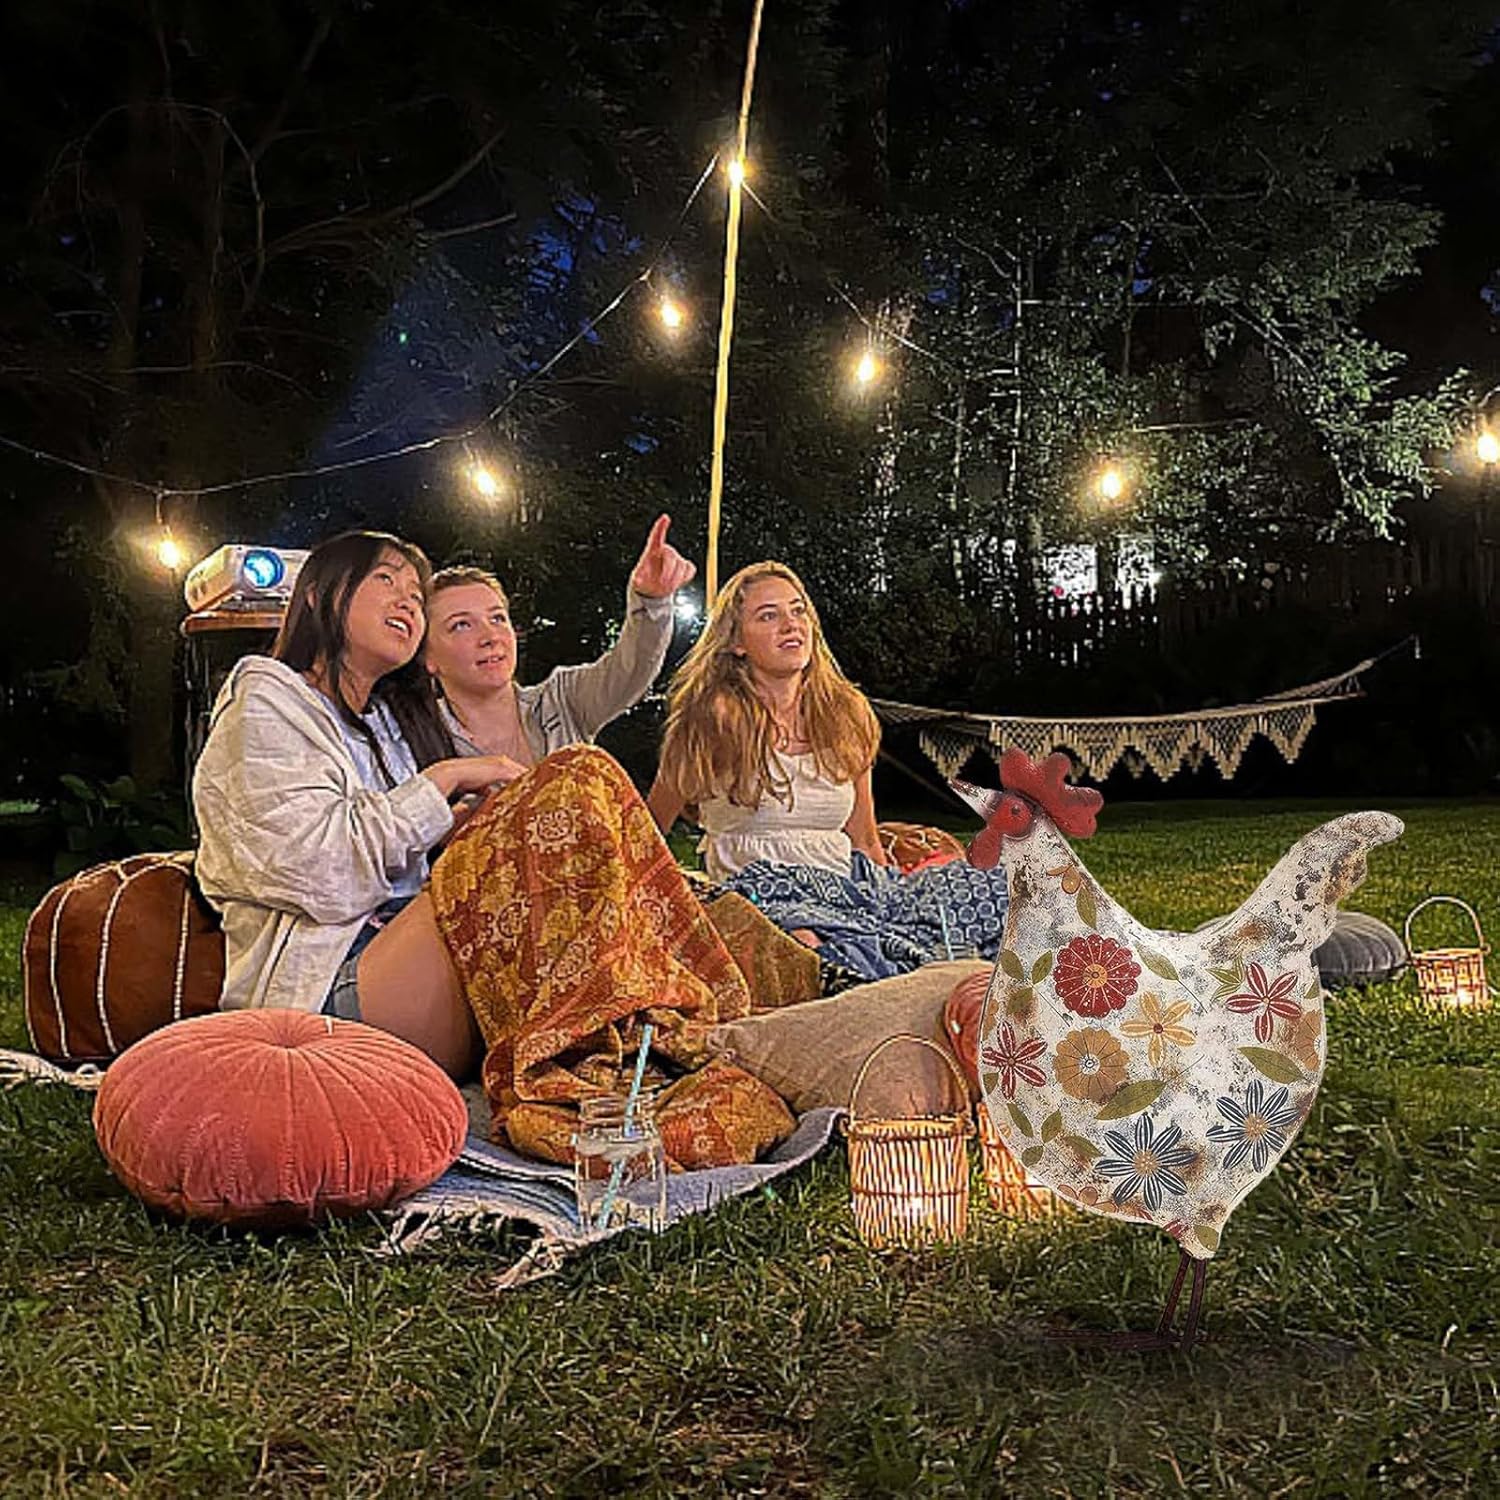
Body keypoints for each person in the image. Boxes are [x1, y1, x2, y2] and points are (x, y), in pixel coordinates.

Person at [193, 527, 788, 1169]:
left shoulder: (385, 729)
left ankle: (693, 1029)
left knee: (619, 832)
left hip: (412, 961)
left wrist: (469, 829)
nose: (407, 600)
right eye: (385, 579)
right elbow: (316, 871)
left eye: (415, 592)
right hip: (334, 984)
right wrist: (447, 783)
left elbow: (619, 678)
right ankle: (618, 1052)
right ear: (317, 597)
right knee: (576, 778)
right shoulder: (268, 697)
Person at [647, 561, 1007, 980]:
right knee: (812, 951)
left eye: (798, 610)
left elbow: (864, 839)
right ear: (736, 642)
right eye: (768, 616)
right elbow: (647, 832)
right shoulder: (709, 721)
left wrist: (895, 898)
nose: (790, 625)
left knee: (1005, 885)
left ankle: (919, 955)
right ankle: (898, 971)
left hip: (848, 886)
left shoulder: (845, 714)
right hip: (761, 896)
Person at [423, 513, 693, 765]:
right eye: (461, 625)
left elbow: (629, 671)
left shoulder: (561, 700)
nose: (490, 636)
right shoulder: (414, 745)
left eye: (497, 618)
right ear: (427, 657)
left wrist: (651, 601)